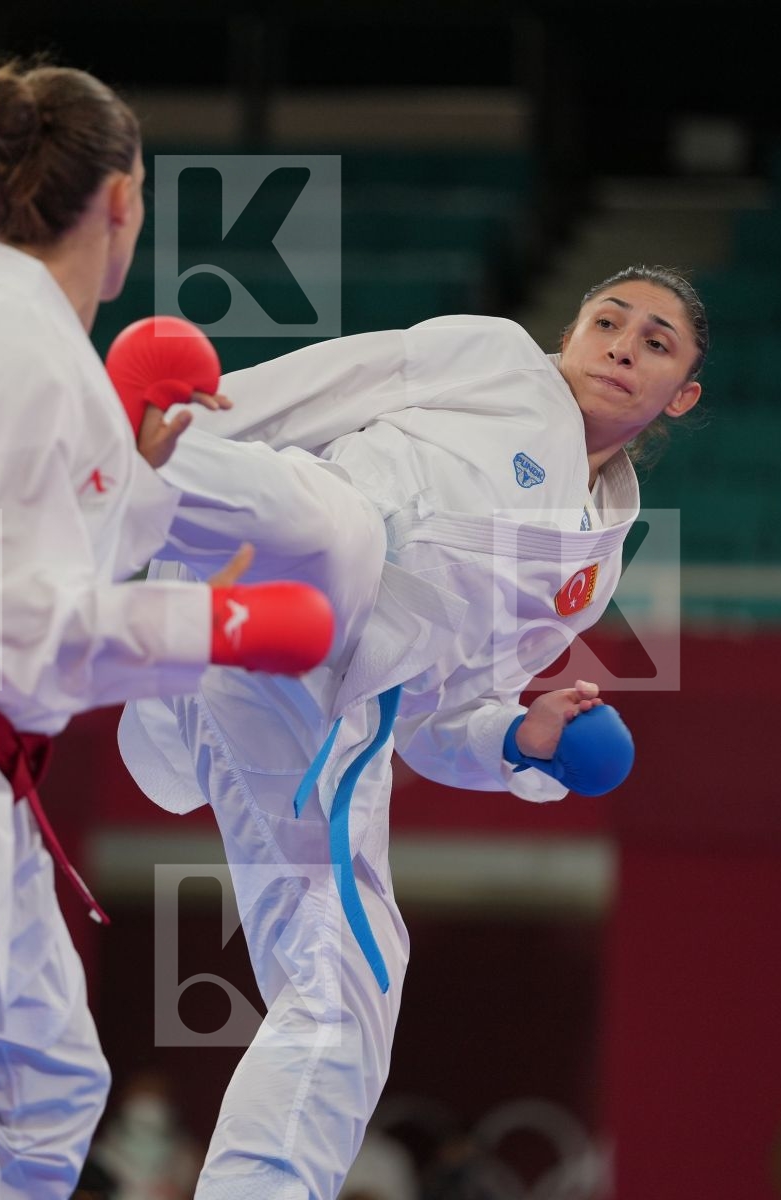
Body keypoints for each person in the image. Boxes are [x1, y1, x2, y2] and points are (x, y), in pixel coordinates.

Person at [0, 58, 332, 1200]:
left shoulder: (5, 339)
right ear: (123, 197)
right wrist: (222, 621)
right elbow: (4, 614)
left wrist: (131, 473)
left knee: (46, 1088)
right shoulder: (15, 353)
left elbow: (0, 556)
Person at [119, 266, 707, 1198]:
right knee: (338, 528)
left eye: (655, 343)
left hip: (315, 702)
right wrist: (199, 421)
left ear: (681, 397)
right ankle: (130, 452)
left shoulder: (589, 573)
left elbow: (436, 721)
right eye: (607, 321)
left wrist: (522, 738)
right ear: (570, 334)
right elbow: (328, 381)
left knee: (350, 984)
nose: (623, 346)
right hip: (281, 567)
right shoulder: (496, 361)